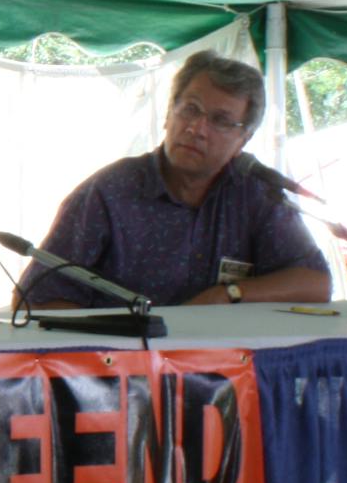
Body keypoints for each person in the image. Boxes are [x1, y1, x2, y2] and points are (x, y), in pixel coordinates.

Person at [17, 51, 329, 308]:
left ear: (243, 141)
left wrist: (230, 293)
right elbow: (33, 298)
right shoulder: (109, 193)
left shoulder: (255, 193)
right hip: (125, 375)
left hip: (224, 375)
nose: (197, 128)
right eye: (190, 109)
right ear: (168, 116)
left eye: (220, 120)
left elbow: (315, 283)